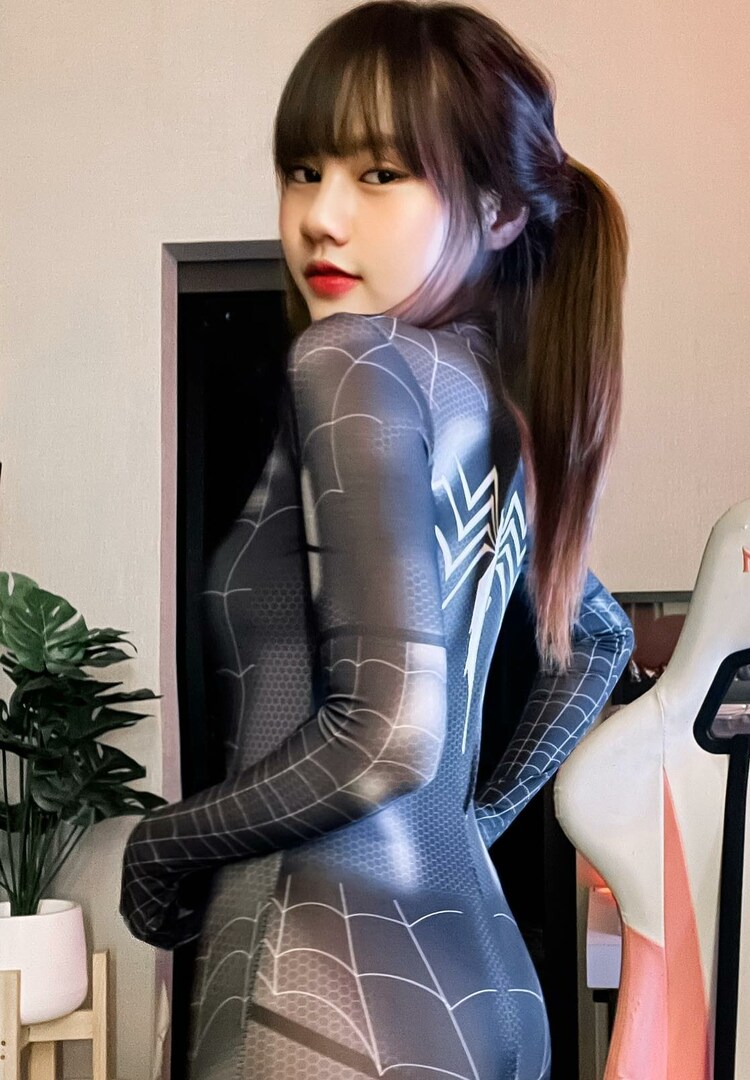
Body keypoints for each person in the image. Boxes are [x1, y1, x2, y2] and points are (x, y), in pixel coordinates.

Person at [119, 2, 635, 1076]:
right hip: (490, 978)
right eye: (303, 171)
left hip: (317, 988)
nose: (322, 216)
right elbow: (599, 640)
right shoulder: (500, 407)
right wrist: (473, 822)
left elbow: (384, 734)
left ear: (499, 211)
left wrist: (161, 846)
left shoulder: (352, 359)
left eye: (382, 174)